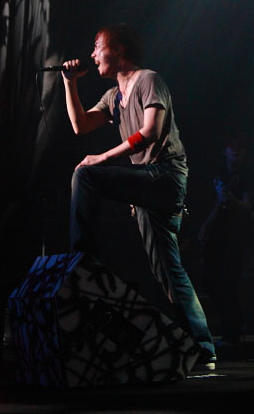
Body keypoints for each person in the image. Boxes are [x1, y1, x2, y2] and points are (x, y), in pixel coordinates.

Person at [62, 23, 215, 367]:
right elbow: (80, 126)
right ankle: (203, 346)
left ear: (119, 50)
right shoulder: (113, 97)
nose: (92, 54)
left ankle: (81, 260)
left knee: (86, 175)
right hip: (147, 183)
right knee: (167, 268)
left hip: (164, 176)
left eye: (97, 46)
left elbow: (150, 132)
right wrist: (70, 82)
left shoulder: (148, 80)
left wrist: (102, 157)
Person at [198, 137, 254, 346]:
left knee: (229, 282)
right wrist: (206, 226)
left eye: (240, 148)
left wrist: (229, 198)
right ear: (225, 151)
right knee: (210, 280)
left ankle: (232, 332)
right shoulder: (220, 173)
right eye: (232, 147)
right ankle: (232, 327)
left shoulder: (248, 175)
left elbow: (247, 208)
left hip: (236, 235)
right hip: (219, 234)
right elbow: (217, 203)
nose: (236, 151)